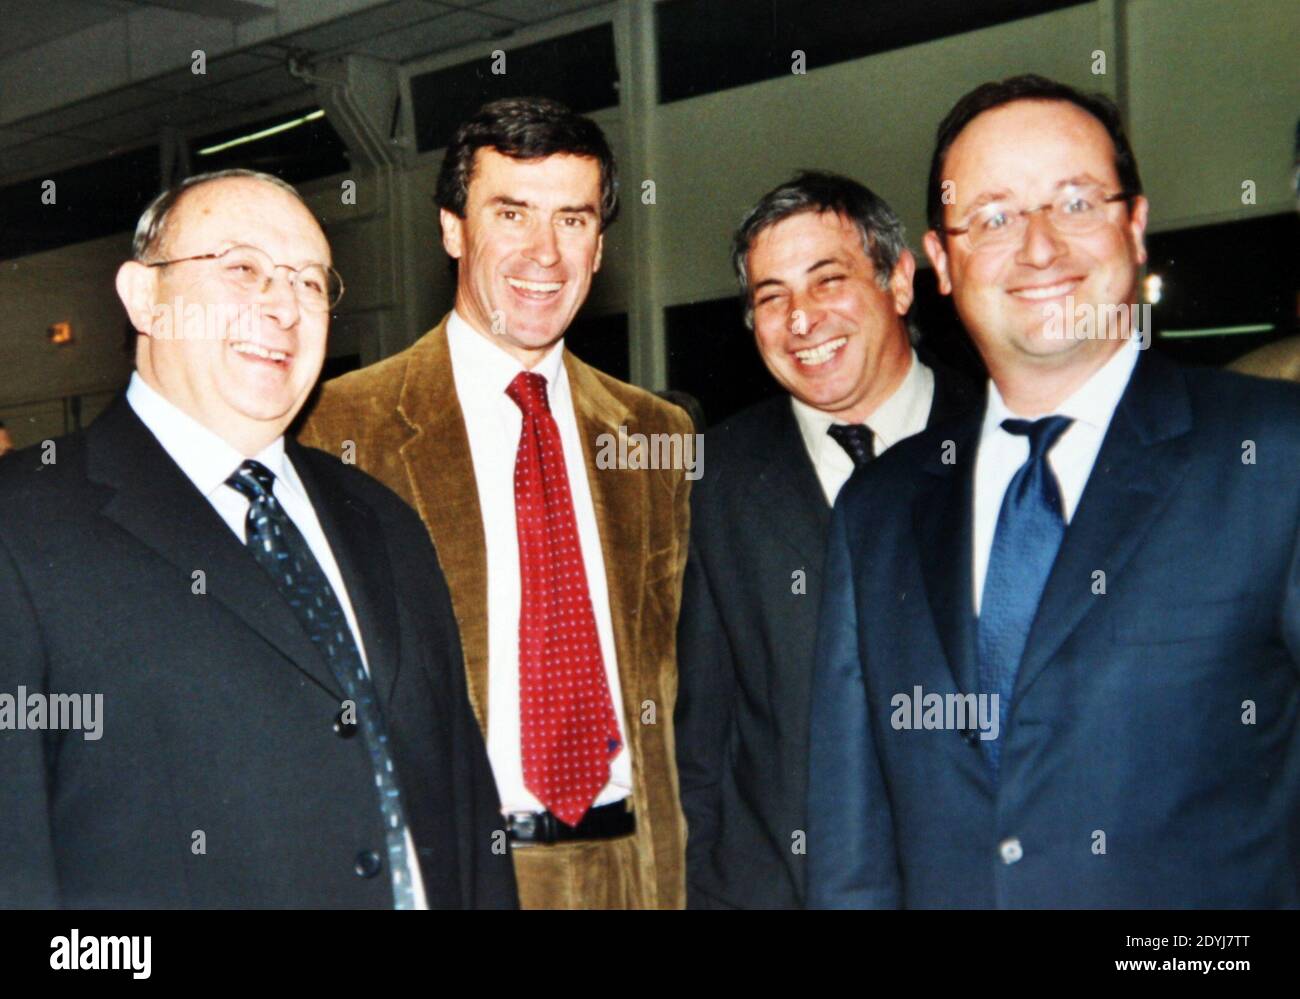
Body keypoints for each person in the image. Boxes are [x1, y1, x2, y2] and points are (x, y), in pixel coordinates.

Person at [807, 75, 1300, 907]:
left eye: (1075, 202)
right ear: (940, 262)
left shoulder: (1272, 455)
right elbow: (852, 854)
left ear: (1134, 226)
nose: (1039, 248)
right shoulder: (880, 511)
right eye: (994, 217)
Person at [0, 169, 516, 909]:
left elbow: (467, 812)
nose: (282, 307)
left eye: (310, 283)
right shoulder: (23, 529)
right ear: (145, 297)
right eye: (242, 269)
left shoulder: (385, 520)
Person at [300, 98, 692, 909]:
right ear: (453, 229)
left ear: (600, 243)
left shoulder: (655, 435)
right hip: (456, 875)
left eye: (573, 219)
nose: (544, 253)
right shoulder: (341, 426)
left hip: (631, 869)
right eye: (511, 213)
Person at [675, 171, 976, 908]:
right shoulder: (715, 479)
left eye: (827, 280)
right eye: (771, 296)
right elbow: (700, 743)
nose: (801, 319)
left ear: (900, 281)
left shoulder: (1006, 444)